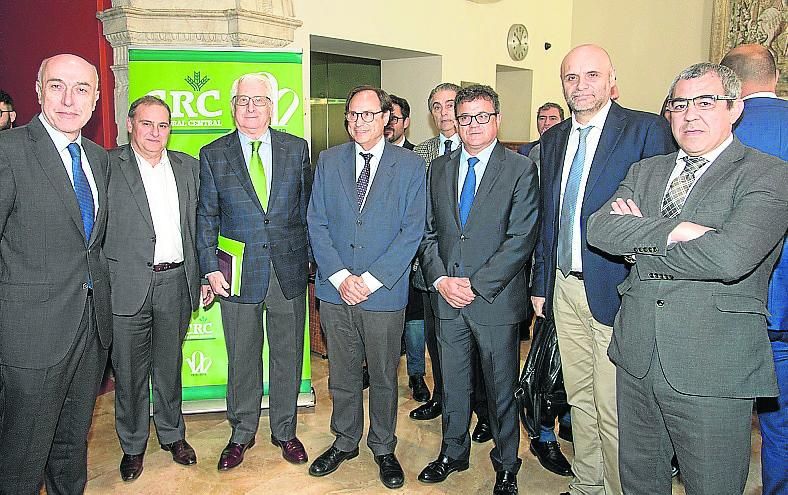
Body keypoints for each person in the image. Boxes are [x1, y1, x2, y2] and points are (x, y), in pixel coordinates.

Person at [587, 61, 787, 495]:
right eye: (680, 104)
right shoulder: (646, 171)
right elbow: (600, 230)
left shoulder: (767, 174)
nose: (690, 115)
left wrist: (639, 245)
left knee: (712, 485)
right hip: (636, 355)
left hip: (711, 362)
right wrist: (677, 230)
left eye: (705, 102)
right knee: (639, 482)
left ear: (735, 109)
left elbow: (730, 257)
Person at [530, 44, 675, 495]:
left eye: (592, 75)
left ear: (612, 79)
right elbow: (548, 220)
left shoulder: (646, 130)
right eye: (571, 77)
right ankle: (587, 482)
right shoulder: (553, 140)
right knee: (579, 400)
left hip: (618, 290)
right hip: (565, 288)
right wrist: (542, 283)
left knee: (614, 407)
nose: (580, 86)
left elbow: (664, 212)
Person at [417, 85, 539, 495]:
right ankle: (453, 452)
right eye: (464, 116)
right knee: (452, 383)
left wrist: (476, 284)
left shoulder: (520, 169)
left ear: (497, 120)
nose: (472, 125)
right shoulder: (439, 168)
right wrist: (440, 280)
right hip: (446, 298)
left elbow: (521, 238)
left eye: (481, 116)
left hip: (495, 301)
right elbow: (428, 231)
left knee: (500, 388)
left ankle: (507, 464)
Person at [0, 53, 112, 494]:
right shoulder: (8, 152)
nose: (70, 99)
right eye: (57, 86)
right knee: (22, 455)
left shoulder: (98, 159)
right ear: (38, 90)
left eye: (82, 89)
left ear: (96, 98)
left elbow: (92, 246)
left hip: (89, 329)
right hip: (31, 335)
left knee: (70, 446)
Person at [307, 85, 425, 490]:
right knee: (341, 374)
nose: (360, 122)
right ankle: (344, 440)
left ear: (387, 119)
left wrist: (371, 281)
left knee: (384, 376)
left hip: (384, 293)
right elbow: (316, 222)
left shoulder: (409, 167)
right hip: (335, 291)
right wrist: (340, 276)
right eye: (353, 115)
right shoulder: (328, 160)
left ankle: (383, 446)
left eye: (369, 114)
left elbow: (412, 232)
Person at [197, 72, 312, 470]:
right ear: (232, 107)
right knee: (242, 358)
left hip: (288, 272)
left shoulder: (297, 149)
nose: (250, 108)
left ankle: (285, 430)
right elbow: (206, 217)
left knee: (287, 356)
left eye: (259, 100)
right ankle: (241, 432)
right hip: (237, 275)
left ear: (272, 106)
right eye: (243, 100)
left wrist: (311, 261)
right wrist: (209, 268)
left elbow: (306, 210)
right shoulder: (213, 154)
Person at [105, 95, 210, 481]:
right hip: (127, 286)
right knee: (129, 373)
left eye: (162, 125)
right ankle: (132, 445)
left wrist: (202, 276)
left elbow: (200, 229)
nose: (155, 132)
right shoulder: (107, 166)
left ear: (171, 129)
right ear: (130, 124)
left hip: (176, 282)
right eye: (146, 123)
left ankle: (172, 434)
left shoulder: (189, 168)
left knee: (169, 367)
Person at [721, 44, 788, 495]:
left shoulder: (717, 129)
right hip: (784, 308)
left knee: (716, 422)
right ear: (776, 76)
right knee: (781, 424)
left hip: (724, 302)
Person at [411, 84, 491, 446]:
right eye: (436, 106)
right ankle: (444, 399)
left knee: (480, 353)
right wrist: (436, 272)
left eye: (449, 105)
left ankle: (483, 410)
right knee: (439, 344)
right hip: (433, 272)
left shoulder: (480, 146)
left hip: (479, 278)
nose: (444, 112)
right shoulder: (424, 154)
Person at [518, 101, 573, 478]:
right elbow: (541, 222)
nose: (547, 124)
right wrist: (539, 281)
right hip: (551, 276)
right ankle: (543, 432)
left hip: (597, 283)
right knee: (547, 367)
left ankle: (572, 424)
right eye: (542, 118)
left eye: (553, 118)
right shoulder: (536, 155)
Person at [385, 94, 429, 402]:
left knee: (414, 322)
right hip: (376, 260)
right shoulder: (368, 157)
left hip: (411, 258)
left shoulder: (419, 159)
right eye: (384, 118)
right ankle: (372, 370)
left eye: (394, 119)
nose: (388, 125)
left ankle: (416, 375)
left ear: (407, 123)